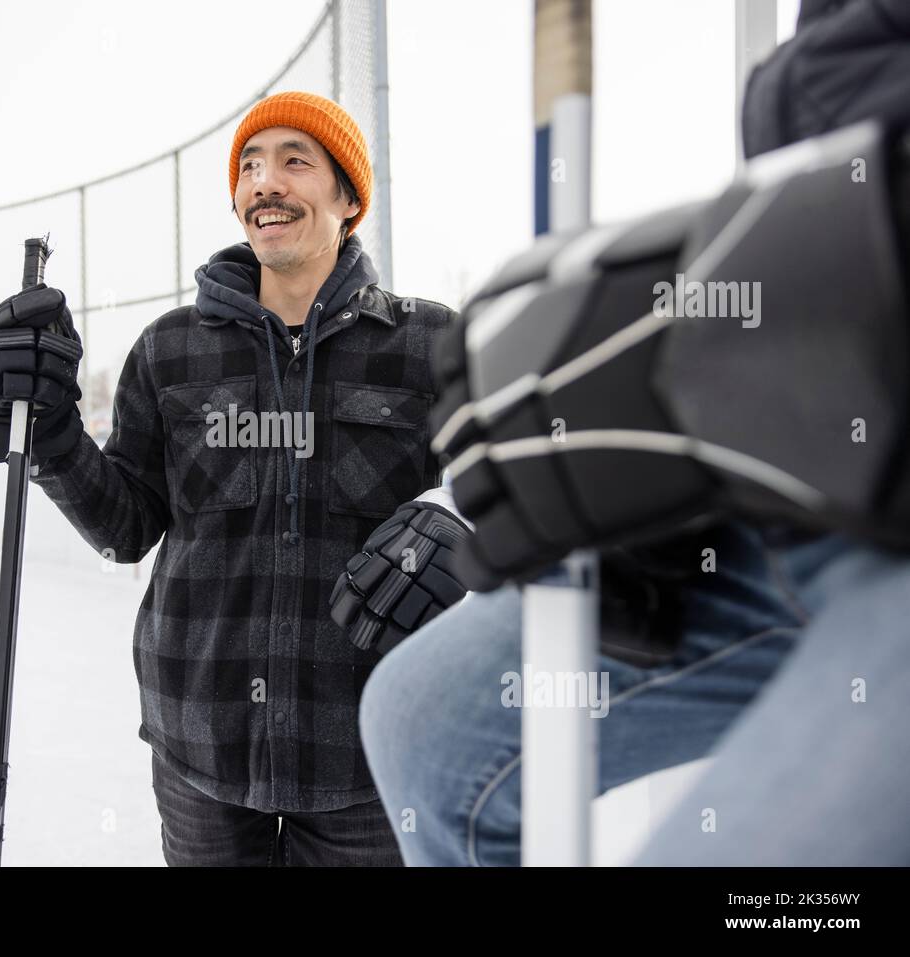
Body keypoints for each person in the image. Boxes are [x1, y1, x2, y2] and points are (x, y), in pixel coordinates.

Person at [356, 0, 910, 866]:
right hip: (815, 473)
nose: (265, 188)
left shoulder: (408, 326)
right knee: (427, 730)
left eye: (295, 162)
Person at [0, 90, 461, 865]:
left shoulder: (431, 344)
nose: (267, 181)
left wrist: (454, 512)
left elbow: (517, 475)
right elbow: (125, 524)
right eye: (251, 167)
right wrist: (53, 435)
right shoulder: (169, 351)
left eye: (296, 161)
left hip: (371, 751)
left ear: (349, 198)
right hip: (202, 744)